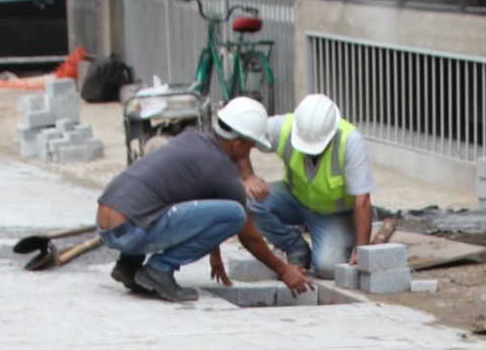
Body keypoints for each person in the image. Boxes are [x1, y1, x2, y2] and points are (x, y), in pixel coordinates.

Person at [95, 96, 312, 304]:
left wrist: (214, 252)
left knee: (158, 198)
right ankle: (159, 270)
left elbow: (201, 205)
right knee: (235, 214)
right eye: (250, 145)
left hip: (108, 222)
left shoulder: (193, 139)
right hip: (131, 231)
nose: (251, 150)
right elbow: (249, 237)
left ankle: (128, 265)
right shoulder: (223, 171)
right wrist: (284, 270)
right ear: (237, 143)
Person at [234, 92, 375, 275]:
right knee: (249, 201)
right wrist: (247, 177)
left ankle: (334, 240)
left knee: (327, 268)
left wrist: (361, 250)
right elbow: (241, 133)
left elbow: (362, 200)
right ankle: (296, 248)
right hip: (294, 198)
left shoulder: (350, 141)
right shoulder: (284, 127)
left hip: (332, 215)